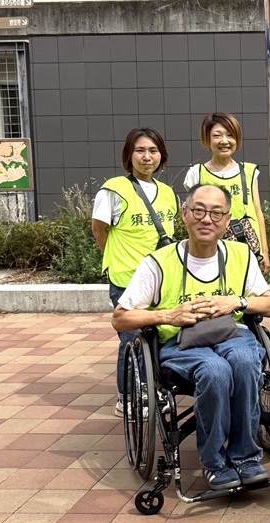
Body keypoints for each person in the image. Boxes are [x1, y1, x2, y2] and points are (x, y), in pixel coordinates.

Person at [112, 184, 270, 490]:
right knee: (215, 370)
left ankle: (244, 457)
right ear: (184, 214)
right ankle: (213, 462)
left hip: (232, 334)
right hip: (180, 343)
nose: (207, 219)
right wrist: (168, 315)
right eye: (198, 210)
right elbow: (120, 318)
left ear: (227, 221)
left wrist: (236, 302)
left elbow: (269, 303)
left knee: (242, 360)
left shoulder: (240, 254)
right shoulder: (159, 262)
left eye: (216, 212)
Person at [91, 128, 178, 418]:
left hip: (160, 279)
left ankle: (152, 389)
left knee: (159, 336)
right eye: (140, 150)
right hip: (126, 277)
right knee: (132, 340)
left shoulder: (167, 192)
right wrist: (115, 257)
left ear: (161, 156)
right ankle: (127, 396)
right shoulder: (114, 188)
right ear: (129, 155)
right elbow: (99, 229)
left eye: (153, 151)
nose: (147, 157)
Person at [184, 112, 270, 273]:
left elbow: (258, 211)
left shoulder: (249, 171)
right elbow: (191, 217)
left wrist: (264, 251)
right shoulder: (196, 173)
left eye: (230, 135)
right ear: (207, 139)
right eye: (217, 135)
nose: (224, 141)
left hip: (247, 249)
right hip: (210, 250)